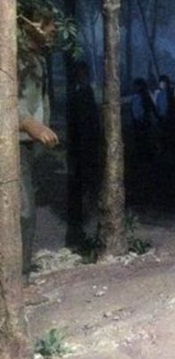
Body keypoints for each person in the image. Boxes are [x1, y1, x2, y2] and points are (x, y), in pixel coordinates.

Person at [17, 4, 61, 278]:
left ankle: (21, 276)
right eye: (48, 23)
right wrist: (29, 123)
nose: (53, 29)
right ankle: (17, 280)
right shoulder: (12, 58)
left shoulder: (37, 60)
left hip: (27, 144)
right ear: (30, 25)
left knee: (26, 210)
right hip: (12, 142)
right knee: (22, 211)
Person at [66, 61, 101, 247]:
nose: (82, 76)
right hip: (79, 145)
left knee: (89, 181)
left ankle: (90, 217)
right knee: (80, 182)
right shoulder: (76, 94)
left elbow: (93, 120)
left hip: (88, 144)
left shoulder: (86, 93)